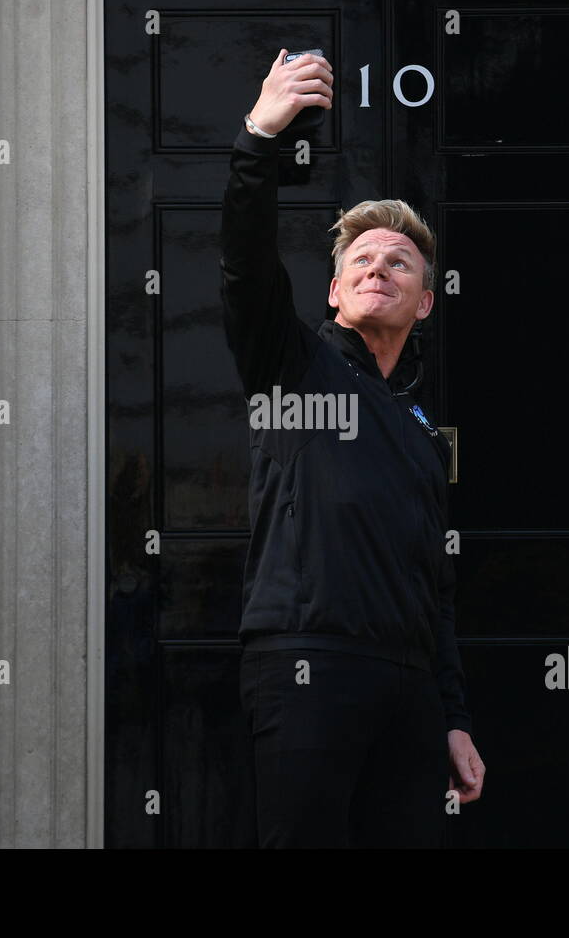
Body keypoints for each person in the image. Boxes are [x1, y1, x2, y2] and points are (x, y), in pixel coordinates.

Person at [220, 49, 485, 848]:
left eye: (398, 261)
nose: (379, 267)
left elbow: (432, 588)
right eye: (361, 260)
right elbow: (245, 267)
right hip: (308, 668)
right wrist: (258, 139)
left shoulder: (416, 430)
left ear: (426, 300)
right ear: (334, 290)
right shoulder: (292, 365)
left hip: (407, 692)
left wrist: (453, 717)